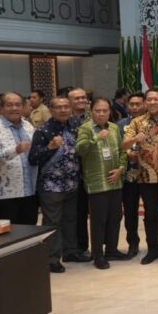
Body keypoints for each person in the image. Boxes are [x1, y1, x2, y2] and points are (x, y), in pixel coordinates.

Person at [29, 96, 86, 272]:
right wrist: (50, 147)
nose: (63, 110)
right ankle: (52, 259)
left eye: (66, 107)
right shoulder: (43, 131)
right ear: (51, 110)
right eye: (58, 107)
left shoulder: (75, 126)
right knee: (52, 222)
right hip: (51, 185)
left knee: (70, 220)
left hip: (72, 183)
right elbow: (33, 158)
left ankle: (70, 252)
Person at [122, 89, 158, 265]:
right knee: (151, 215)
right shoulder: (137, 122)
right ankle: (152, 249)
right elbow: (124, 145)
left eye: (156, 99)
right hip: (146, 176)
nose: (153, 102)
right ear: (145, 103)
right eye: (149, 99)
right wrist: (134, 140)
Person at [76, 97, 128, 270]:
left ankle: (111, 250)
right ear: (91, 111)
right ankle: (97, 254)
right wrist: (96, 138)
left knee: (115, 217)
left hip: (115, 181)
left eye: (105, 111)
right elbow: (80, 149)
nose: (101, 114)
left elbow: (122, 150)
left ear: (109, 112)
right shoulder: (85, 128)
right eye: (97, 110)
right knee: (99, 221)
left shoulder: (114, 127)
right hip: (97, 183)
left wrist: (121, 169)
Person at [0, 92, 38, 224]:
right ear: (2, 108)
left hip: (29, 190)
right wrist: (15, 150)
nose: (14, 108)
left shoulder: (28, 126)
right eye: (9, 105)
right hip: (5, 194)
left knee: (30, 229)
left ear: (23, 107)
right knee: (10, 233)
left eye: (18, 105)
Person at [117, 92, 146, 257]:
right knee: (130, 211)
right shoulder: (120, 125)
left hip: (149, 176)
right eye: (131, 104)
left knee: (151, 212)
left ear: (144, 105)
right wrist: (127, 154)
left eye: (138, 104)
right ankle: (133, 243)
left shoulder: (150, 123)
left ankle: (153, 244)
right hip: (129, 175)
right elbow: (116, 147)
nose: (134, 107)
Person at [68, 87, 91, 255]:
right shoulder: (64, 119)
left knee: (93, 212)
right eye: (77, 98)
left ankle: (92, 246)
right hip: (71, 174)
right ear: (69, 101)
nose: (81, 100)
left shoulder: (94, 117)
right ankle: (77, 247)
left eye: (83, 97)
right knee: (76, 213)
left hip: (92, 171)